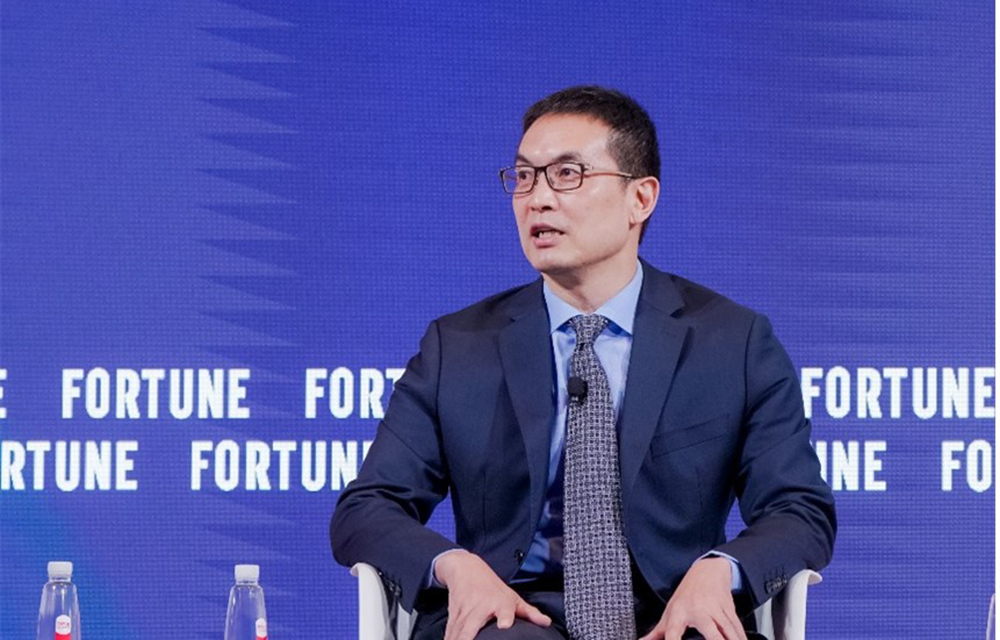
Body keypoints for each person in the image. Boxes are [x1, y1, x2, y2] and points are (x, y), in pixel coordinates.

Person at [331, 86, 835, 640]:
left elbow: (798, 509)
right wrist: (455, 567)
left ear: (640, 199)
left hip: (674, 612)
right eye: (525, 176)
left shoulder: (733, 343)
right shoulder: (458, 347)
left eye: (567, 174)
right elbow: (368, 507)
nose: (538, 199)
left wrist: (721, 569)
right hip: (511, 614)